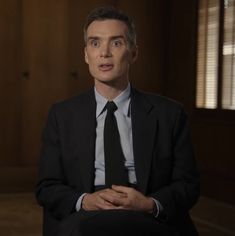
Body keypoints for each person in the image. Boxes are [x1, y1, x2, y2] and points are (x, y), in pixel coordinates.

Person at [36, 6, 200, 236]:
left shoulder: (169, 114)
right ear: (86, 55)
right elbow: (46, 187)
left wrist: (149, 204)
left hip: (146, 210)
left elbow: (188, 184)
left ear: (133, 52)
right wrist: (85, 201)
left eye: (116, 43)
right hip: (86, 213)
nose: (104, 53)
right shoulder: (62, 115)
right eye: (95, 43)